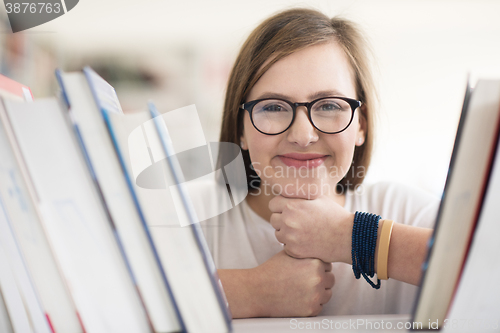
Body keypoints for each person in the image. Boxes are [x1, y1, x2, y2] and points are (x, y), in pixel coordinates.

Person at [196, 7, 439, 318]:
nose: (302, 135)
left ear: (360, 126)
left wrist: (354, 237)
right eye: (272, 107)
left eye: (328, 105)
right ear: (240, 129)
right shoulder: (193, 218)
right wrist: (251, 291)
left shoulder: (405, 211)